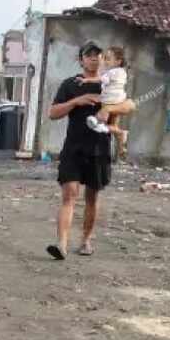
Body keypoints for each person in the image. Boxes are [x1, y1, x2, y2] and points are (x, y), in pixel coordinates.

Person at [46, 41, 111, 260]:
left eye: (98, 55)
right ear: (81, 60)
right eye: (89, 55)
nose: (94, 58)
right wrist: (77, 101)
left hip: (99, 148)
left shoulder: (109, 85)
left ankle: (86, 240)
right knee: (69, 195)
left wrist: (109, 108)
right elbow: (53, 113)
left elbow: (128, 106)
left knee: (92, 197)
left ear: (103, 59)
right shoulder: (70, 84)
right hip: (74, 147)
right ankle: (61, 244)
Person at [86, 46, 136, 161]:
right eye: (105, 58)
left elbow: (100, 79)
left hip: (110, 103)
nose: (106, 61)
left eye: (108, 59)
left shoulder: (113, 72)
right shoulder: (121, 72)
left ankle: (121, 133)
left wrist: (86, 80)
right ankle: (122, 144)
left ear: (118, 61)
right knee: (112, 126)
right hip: (118, 101)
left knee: (99, 122)